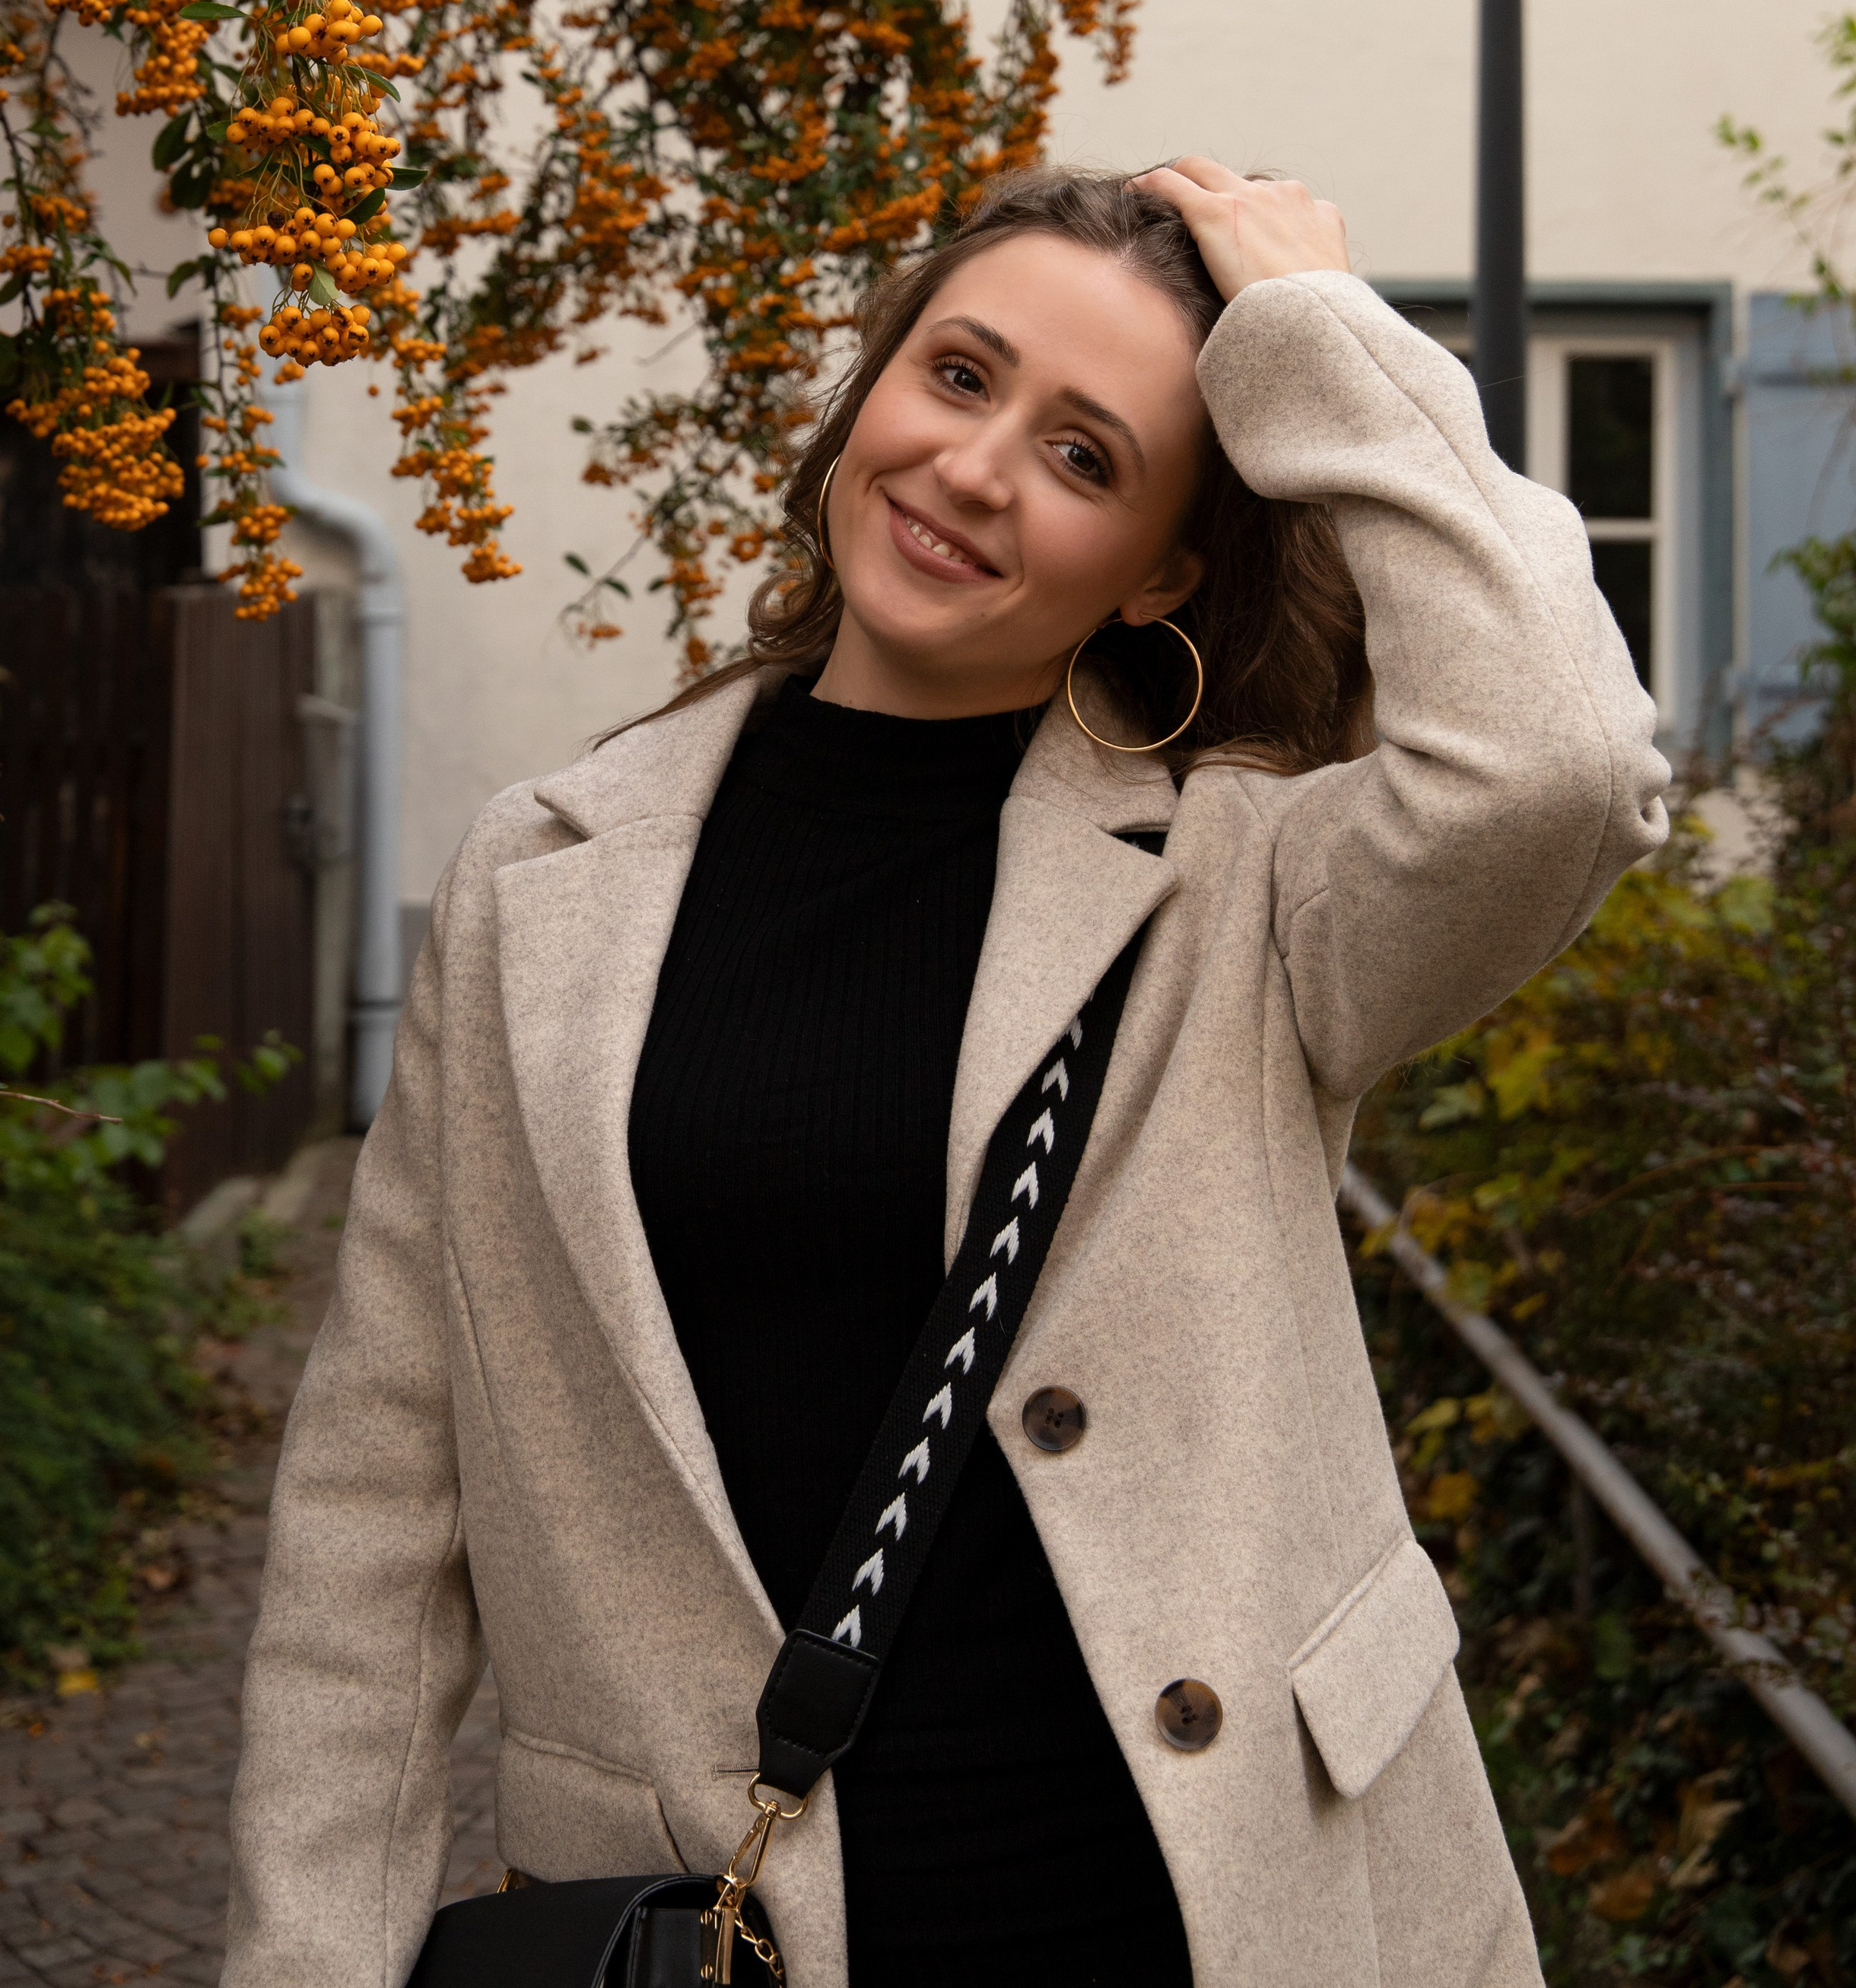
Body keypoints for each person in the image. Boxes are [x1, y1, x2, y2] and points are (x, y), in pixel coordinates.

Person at [224, 158, 1667, 1988]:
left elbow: (1556, 764)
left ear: (1161, 566)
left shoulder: (1246, 889)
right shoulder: (538, 881)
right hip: (720, 1922)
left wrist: (1325, 344)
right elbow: (376, 1500)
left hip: (1204, 1913)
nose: (977, 471)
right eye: (960, 377)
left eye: (1087, 457)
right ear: (866, 392)